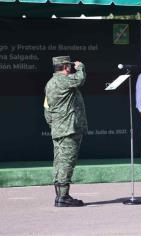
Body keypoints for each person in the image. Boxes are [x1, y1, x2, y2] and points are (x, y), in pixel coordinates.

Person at [44, 56, 88, 207]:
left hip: (59, 129)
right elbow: (80, 79)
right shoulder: (62, 80)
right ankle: (63, 197)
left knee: (60, 162)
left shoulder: (50, 83)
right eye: (69, 66)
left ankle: (60, 196)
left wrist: (54, 125)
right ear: (65, 67)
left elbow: (47, 109)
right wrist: (80, 66)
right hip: (68, 129)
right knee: (66, 162)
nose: (71, 68)